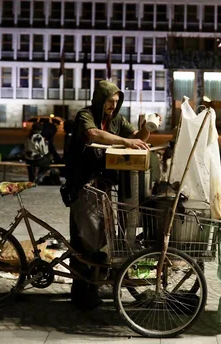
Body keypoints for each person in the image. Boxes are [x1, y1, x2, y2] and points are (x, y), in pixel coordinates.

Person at [64, 80, 153, 309]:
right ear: (100, 100)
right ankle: (83, 291)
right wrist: (125, 140)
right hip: (82, 183)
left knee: (104, 234)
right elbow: (94, 135)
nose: (113, 105)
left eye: (116, 101)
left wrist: (146, 129)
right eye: (109, 101)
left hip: (101, 185)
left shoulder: (116, 120)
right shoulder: (86, 115)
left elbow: (138, 138)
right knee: (87, 237)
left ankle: (95, 285)